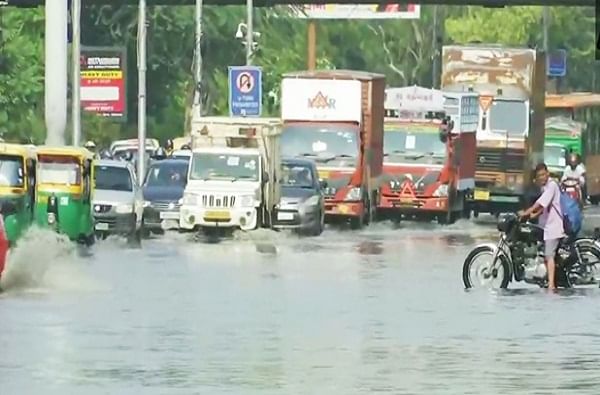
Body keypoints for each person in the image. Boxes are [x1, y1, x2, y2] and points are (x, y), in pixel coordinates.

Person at [519, 163, 565, 289]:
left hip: (554, 226)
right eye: (539, 175)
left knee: (549, 255)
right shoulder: (545, 188)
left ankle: (551, 285)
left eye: (544, 174)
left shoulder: (552, 186)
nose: (542, 177)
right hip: (546, 226)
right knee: (544, 252)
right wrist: (534, 215)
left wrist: (526, 212)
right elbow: (545, 206)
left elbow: (540, 203)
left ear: (548, 173)